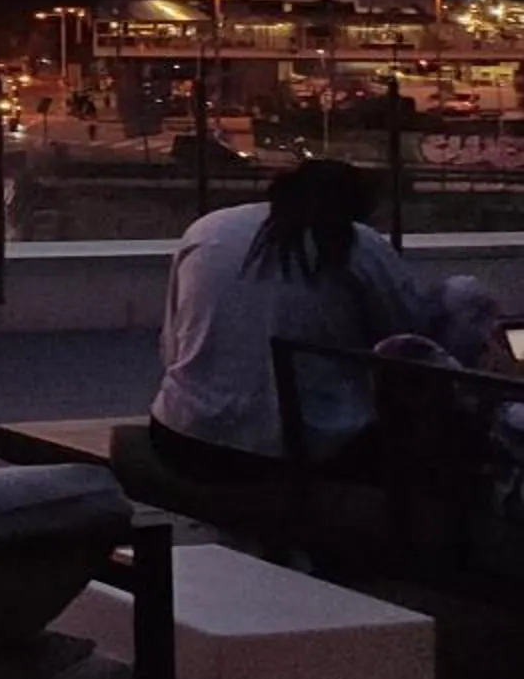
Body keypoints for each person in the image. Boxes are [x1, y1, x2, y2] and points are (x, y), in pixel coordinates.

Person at [148, 158, 441, 481]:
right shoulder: (359, 247)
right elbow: (409, 345)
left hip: (180, 435)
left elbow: (172, 345)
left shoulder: (208, 230)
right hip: (304, 452)